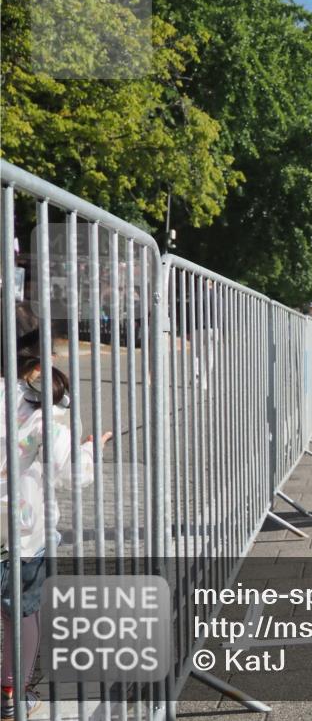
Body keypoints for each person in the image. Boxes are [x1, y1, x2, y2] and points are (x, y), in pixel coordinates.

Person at [0, 303, 112, 718]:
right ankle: (12, 692)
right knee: (21, 612)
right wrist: (90, 449)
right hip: (22, 530)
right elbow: (72, 474)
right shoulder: (41, 404)